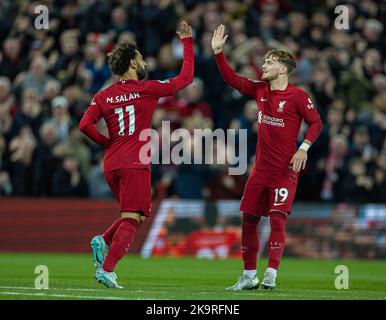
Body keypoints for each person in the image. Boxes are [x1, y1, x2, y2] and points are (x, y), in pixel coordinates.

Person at [79, 21, 194, 288]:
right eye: (140, 58)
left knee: (135, 215)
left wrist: (107, 143)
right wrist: (187, 44)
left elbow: (84, 125)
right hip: (135, 162)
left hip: (112, 164)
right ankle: (107, 269)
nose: (143, 63)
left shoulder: (103, 95)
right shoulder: (147, 89)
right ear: (132, 63)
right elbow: (185, 79)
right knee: (132, 218)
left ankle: (104, 240)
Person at [211, 24, 323, 290]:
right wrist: (218, 53)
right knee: (248, 220)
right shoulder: (260, 90)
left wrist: (303, 148)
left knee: (276, 219)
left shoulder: (298, 97)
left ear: (283, 69)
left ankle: (271, 272)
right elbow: (231, 79)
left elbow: (317, 123)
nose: (264, 64)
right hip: (259, 172)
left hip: (284, 171)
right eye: (264, 61)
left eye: (269, 62)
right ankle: (249, 276)